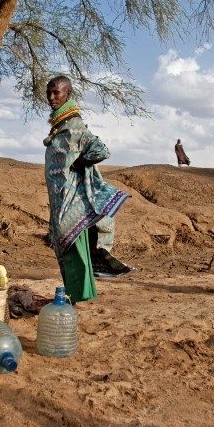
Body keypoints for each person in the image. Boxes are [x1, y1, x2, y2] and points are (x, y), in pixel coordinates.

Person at [43, 75, 130, 302]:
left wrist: (80, 163)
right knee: (66, 245)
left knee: (70, 245)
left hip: (72, 198)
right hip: (60, 198)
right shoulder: (60, 125)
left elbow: (101, 150)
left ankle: (80, 295)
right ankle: (79, 294)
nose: (52, 97)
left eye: (57, 93)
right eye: (49, 93)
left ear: (68, 95)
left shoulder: (75, 126)